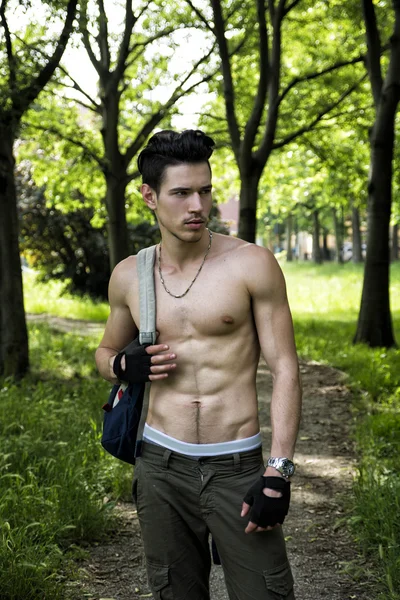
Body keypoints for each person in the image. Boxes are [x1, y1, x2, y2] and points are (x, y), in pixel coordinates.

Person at [95, 129, 302, 600]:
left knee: (266, 593)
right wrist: (121, 369)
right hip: (161, 468)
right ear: (149, 196)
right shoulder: (130, 275)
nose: (197, 206)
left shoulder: (251, 264)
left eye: (205, 191)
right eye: (181, 193)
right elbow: (104, 356)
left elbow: (286, 367)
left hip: (238, 467)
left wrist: (279, 470)